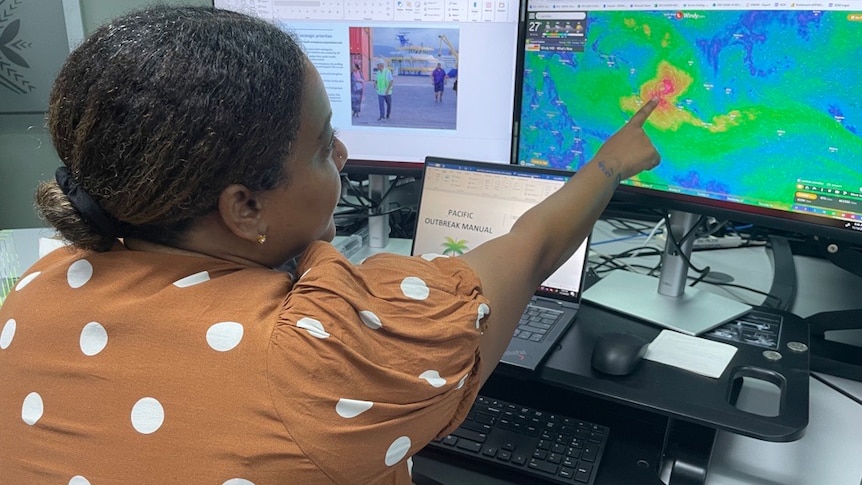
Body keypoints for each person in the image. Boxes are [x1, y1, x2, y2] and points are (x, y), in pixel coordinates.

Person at [0, 6, 660, 485]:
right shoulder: (323, 354)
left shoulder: (31, 294)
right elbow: (533, 246)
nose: (344, 154)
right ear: (244, 206)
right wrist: (608, 164)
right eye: (323, 146)